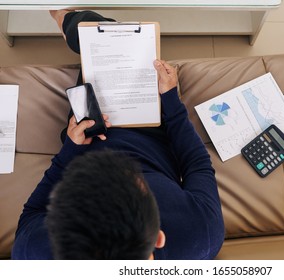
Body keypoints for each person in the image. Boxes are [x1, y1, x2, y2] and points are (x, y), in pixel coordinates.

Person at [11, 10, 224, 260]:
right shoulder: (201, 235)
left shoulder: (36, 253)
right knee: (113, 37)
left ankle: (65, 18)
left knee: (101, 36)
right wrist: (171, 101)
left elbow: (33, 213)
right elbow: (197, 165)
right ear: (158, 237)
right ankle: (69, 21)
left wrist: (71, 147)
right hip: (152, 131)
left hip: (88, 131)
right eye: (139, 188)